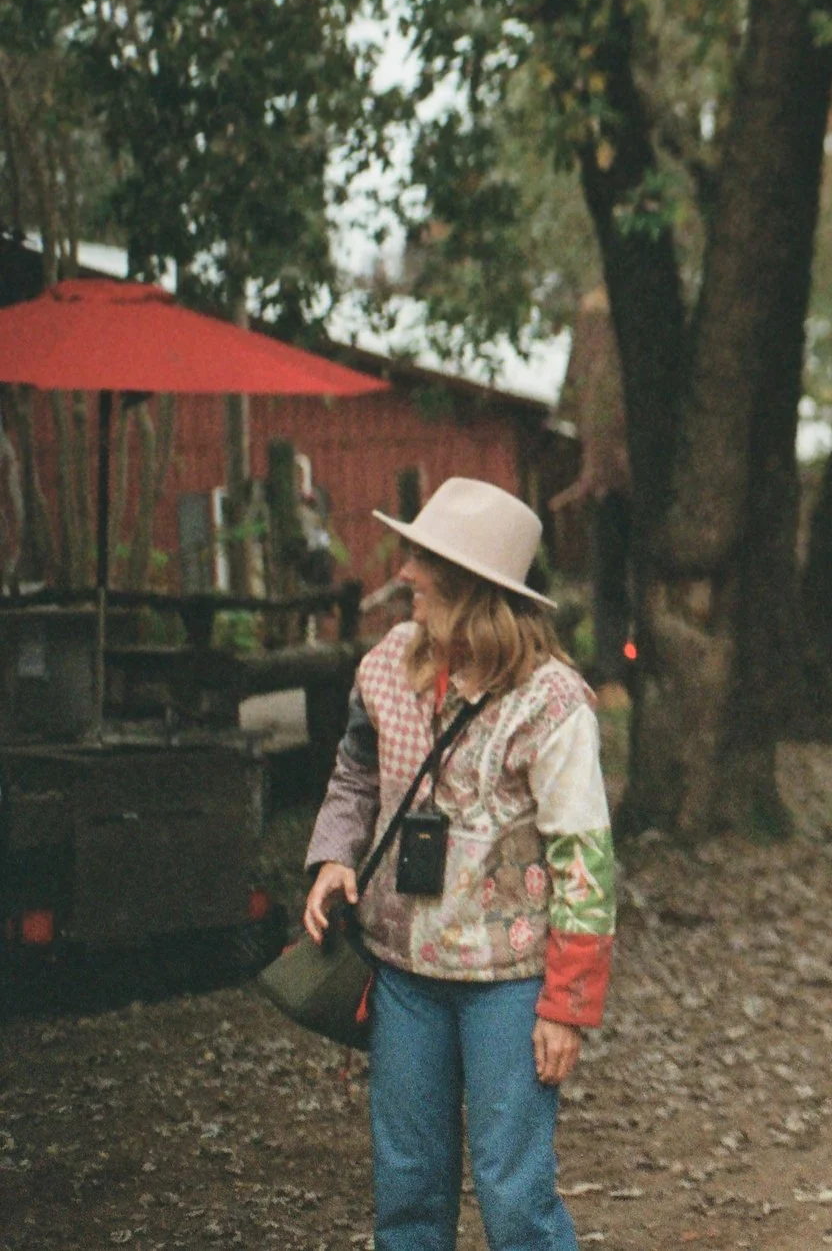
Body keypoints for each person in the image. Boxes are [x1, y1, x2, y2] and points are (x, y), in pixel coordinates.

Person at [303, 478, 616, 1251]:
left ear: (473, 588)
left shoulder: (551, 705)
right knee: (407, 1192)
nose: (405, 572)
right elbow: (354, 776)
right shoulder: (383, 669)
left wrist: (567, 1005)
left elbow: (586, 858)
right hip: (403, 970)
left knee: (514, 1197)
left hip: (507, 984)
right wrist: (332, 857)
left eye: (425, 560)